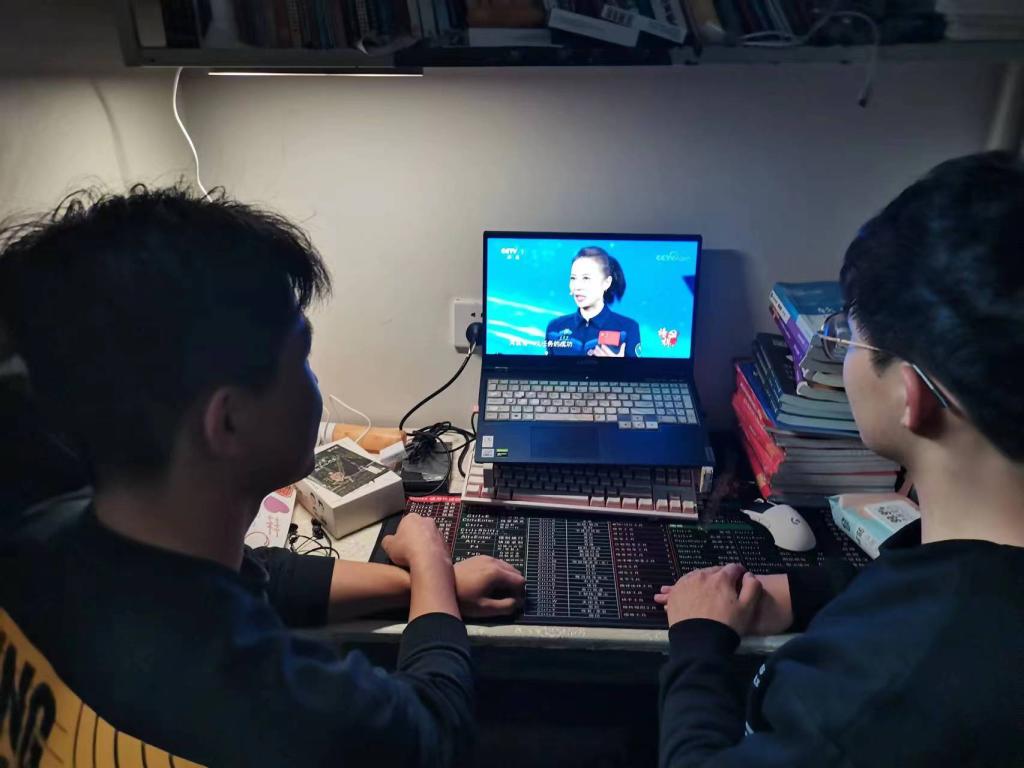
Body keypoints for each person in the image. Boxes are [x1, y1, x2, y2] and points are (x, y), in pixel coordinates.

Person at [0, 185, 525, 767]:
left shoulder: (38, 539)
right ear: (227, 421)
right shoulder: (280, 709)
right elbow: (436, 730)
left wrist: (430, 587)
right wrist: (428, 557)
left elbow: (261, 575)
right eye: (302, 359)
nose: (315, 385)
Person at [655, 152, 1024, 767]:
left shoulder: (875, 698)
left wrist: (697, 643)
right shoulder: (975, 571)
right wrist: (808, 592)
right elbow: (935, 582)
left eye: (848, 337)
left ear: (911, 394)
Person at [545, 245, 642, 357]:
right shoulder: (555, 327)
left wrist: (618, 364)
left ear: (606, 283)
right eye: (573, 278)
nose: (577, 286)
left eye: (586, 278)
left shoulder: (628, 328)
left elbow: (638, 368)